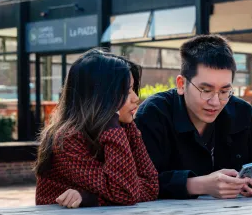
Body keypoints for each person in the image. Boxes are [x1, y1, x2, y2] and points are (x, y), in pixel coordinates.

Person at [135, 34, 252, 199]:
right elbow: (138, 181)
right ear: (181, 84)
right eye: (206, 90)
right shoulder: (153, 115)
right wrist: (198, 184)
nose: (215, 102)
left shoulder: (245, 115)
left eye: (224, 91)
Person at [34, 49, 159, 208]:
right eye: (126, 91)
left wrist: (90, 199)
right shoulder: (68, 139)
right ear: (101, 96)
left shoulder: (125, 127)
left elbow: (151, 186)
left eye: (133, 89)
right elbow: (126, 192)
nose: (135, 98)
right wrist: (111, 123)